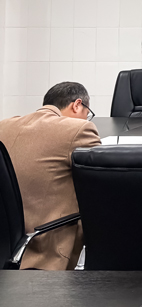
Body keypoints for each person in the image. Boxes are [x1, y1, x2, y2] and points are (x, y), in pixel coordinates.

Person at [0, 82, 100, 270]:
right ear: (77, 105)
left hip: (5, 249)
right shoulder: (79, 130)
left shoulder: (3, 126)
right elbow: (103, 184)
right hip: (44, 252)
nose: (86, 119)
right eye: (87, 113)